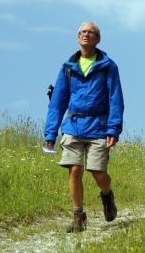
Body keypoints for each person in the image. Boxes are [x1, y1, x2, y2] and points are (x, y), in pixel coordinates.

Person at [44, 21, 124, 233]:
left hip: (99, 126)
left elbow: (116, 99)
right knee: (75, 169)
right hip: (73, 125)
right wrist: (50, 133)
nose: (86, 35)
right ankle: (78, 216)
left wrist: (113, 129)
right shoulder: (68, 68)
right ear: (78, 37)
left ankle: (107, 194)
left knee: (98, 172)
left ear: (98, 39)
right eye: (83, 32)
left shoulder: (109, 67)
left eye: (91, 33)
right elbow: (57, 102)